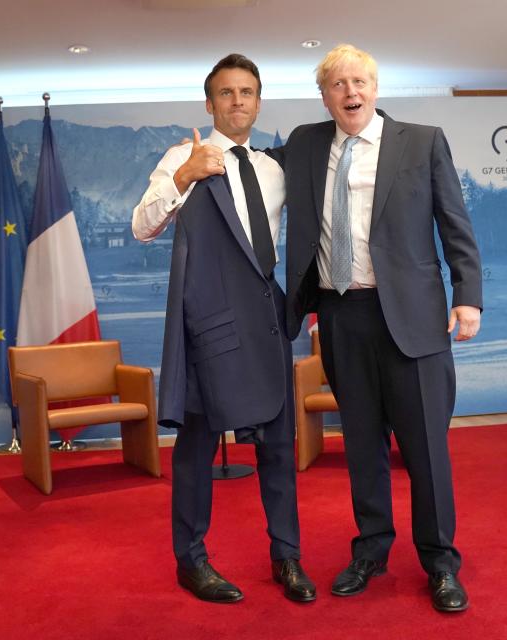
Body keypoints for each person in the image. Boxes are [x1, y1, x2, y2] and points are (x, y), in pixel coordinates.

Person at [276, 44, 483, 613]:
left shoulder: (422, 141)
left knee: (425, 450)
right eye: (338, 84)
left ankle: (440, 562)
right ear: (325, 95)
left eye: (360, 81)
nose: (351, 92)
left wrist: (468, 297)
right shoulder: (304, 143)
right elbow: (251, 168)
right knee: (363, 445)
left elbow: (455, 224)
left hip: (413, 319)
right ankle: (370, 550)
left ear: (375, 86)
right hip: (342, 316)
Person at [132, 54, 316, 605]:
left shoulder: (274, 168)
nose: (238, 101)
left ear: (258, 102)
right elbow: (142, 226)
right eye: (227, 93)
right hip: (208, 327)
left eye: (248, 92)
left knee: (279, 451)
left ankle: (287, 558)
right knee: (194, 452)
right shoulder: (182, 155)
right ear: (210, 103)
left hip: (265, 325)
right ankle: (191, 561)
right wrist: (186, 176)